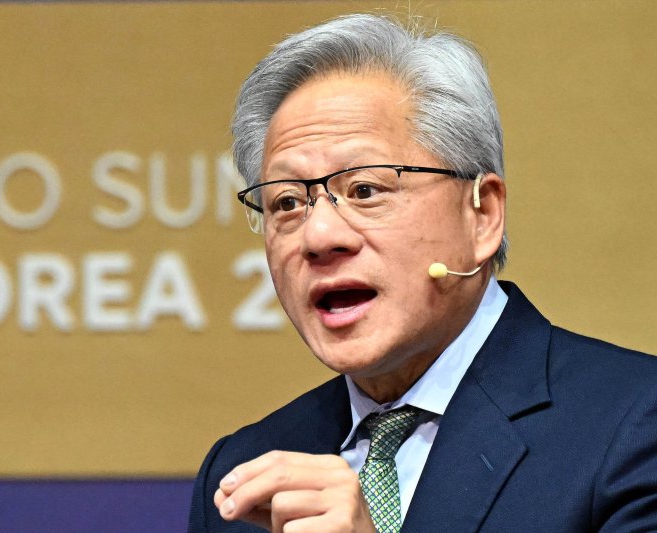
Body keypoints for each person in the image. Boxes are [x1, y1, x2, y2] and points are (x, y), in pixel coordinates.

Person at [189, 13, 657, 533]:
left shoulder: (636, 424)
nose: (318, 237)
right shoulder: (243, 476)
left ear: (482, 215)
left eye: (364, 190)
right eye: (286, 203)